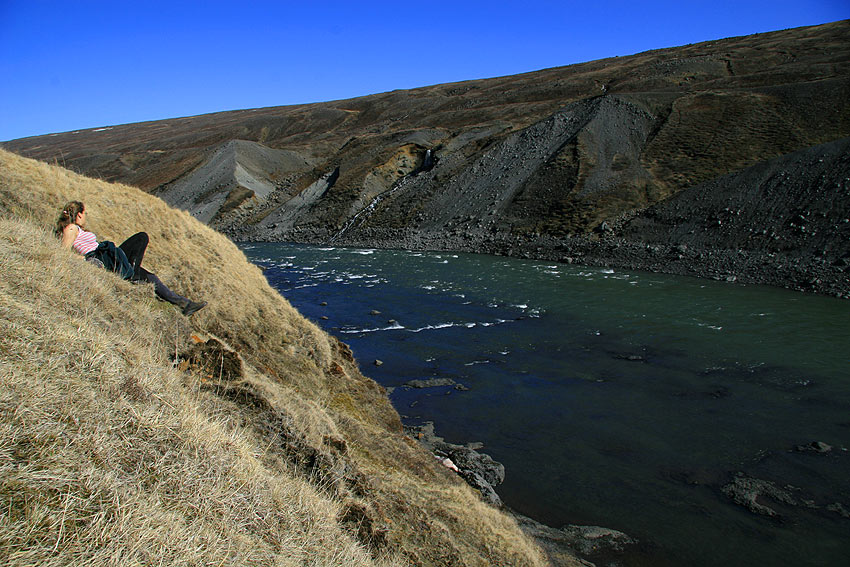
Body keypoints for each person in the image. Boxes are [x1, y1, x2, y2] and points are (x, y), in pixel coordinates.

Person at [56, 201, 207, 316]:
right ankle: (131, 275)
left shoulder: (78, 229)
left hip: (106, 257)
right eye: (85, 214)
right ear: (79, 214)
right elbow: (63, 252)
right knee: (141, 238)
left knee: (150, 277)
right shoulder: (71, 228)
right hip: (101, 258)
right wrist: (86, 261)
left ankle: (185, 305)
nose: (86, 217)